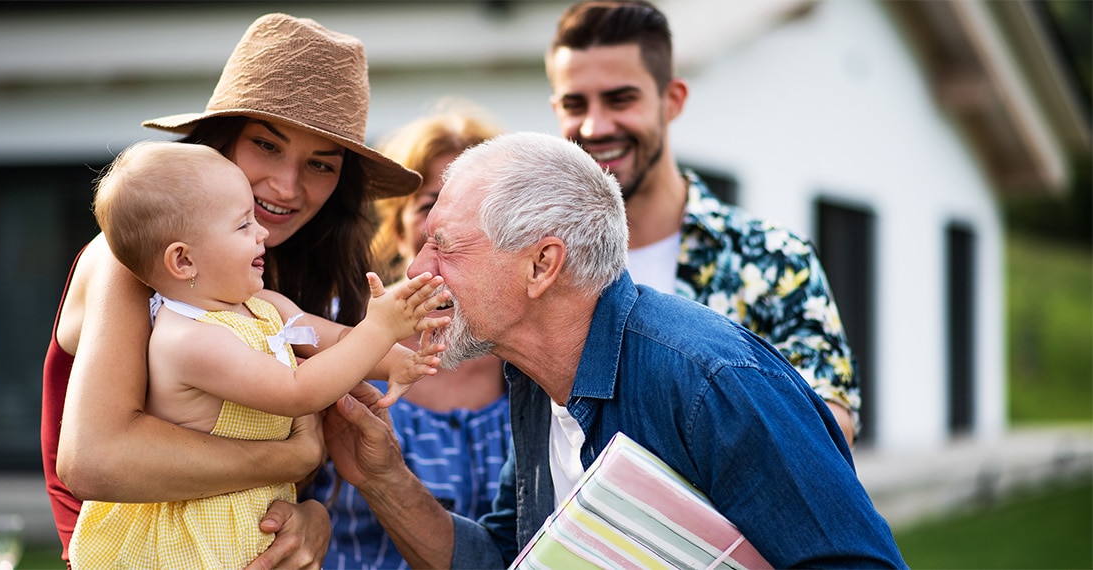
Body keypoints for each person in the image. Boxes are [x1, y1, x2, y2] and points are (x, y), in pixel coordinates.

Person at [322, 131, 908, 568]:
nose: (417, 271)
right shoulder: (532, 376)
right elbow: (505, 558)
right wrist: (382, 478)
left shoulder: (712, 382)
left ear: (541, 265)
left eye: (444, 249)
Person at [42, 13, 421, 568]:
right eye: (266, 145)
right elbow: (94, 460)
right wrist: (293, 457)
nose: (287, 186)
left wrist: (313, 520)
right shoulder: (133, 264)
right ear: (220, 140)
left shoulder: (270, 275)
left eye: (320, 163)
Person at [66, 141, 448, 568]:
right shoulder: (189, 340)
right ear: (183, 261)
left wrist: (393, 356)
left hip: (251, 516)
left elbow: (334, 339)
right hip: (197, 537)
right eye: (243, 225)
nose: (262, 231)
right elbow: (297, 391)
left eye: (320, 164)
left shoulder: (263, 304)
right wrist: (378, 328)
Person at [545, 0, 860, 444]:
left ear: (672, 101)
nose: (595, 126)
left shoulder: (773, 259)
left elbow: (829, 431)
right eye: (576, 104)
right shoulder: (541, 267)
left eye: (621, 99)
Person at [301, 106, 512, 569]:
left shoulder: (528, 360)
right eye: (430, 205)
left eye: (478, 211)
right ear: (397, 229)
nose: (452, 227)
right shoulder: (338, 341)